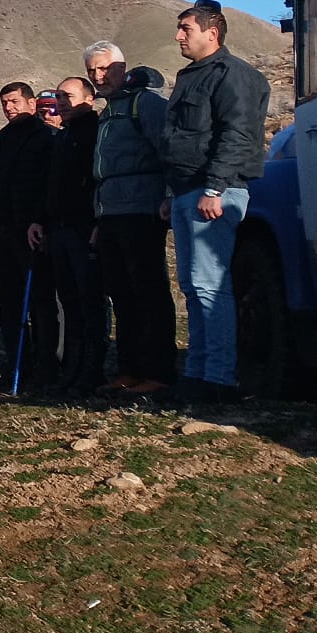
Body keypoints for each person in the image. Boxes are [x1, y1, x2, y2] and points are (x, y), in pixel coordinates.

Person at [159, 1, 269, 403]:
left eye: (186, 28)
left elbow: (238, 135)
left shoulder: (233, 75)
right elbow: (178, 139)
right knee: (193, 286)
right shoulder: (191, 77)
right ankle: (196, 374)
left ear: (212, 33)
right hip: (187, 191)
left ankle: (218, 379)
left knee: (210, 285)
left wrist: (216, 188)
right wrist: (171, 193)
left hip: (213, 192)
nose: (178, 36)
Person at [84, 42, 176, 395]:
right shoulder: (108, 111)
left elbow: (168, 150)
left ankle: (158, 372)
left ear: (122, 68)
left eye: (104, 68)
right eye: (92, 70)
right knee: (120, 293)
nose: (98, 76)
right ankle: (129, 369)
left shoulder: (146, 103)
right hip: (110, 212)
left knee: (148, 291)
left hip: (141, 208)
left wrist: (169, 195)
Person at [0, 84, 55, 391]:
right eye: (5, 103)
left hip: (31, 232)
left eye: (15, 101)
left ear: (32, 103)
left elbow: (49, 184)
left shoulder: (47, 137)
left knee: (41, 302)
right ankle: (17, 363)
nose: (9, 107)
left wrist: (42, 220)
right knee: (8, 302)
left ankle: (47, 365)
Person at [36, 77, 106, 393]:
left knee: (89, 300)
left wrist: (97, 222)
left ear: (89, 99)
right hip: (59, 229)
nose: (62, 102)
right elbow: (51, 185)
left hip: (84, 228)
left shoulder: (95, 133)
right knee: (69, 300)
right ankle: (72, 369)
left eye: (69, 96)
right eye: (59, 97)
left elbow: (96, 180)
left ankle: (92, 369)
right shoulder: (63, 136)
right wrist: (42, 220)